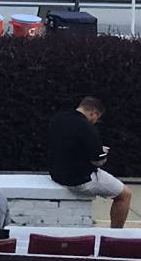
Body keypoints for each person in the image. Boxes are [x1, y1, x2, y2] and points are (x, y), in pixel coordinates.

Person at [47, 96, 132, 228]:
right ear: (94, 113)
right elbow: (98, 161)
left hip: (56, 173)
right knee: (125, 195)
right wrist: (102, 153)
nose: (96, 121)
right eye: (97, 117)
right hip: (79, 179)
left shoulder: (58, 119)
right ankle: (116, 233)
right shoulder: (87, 128)